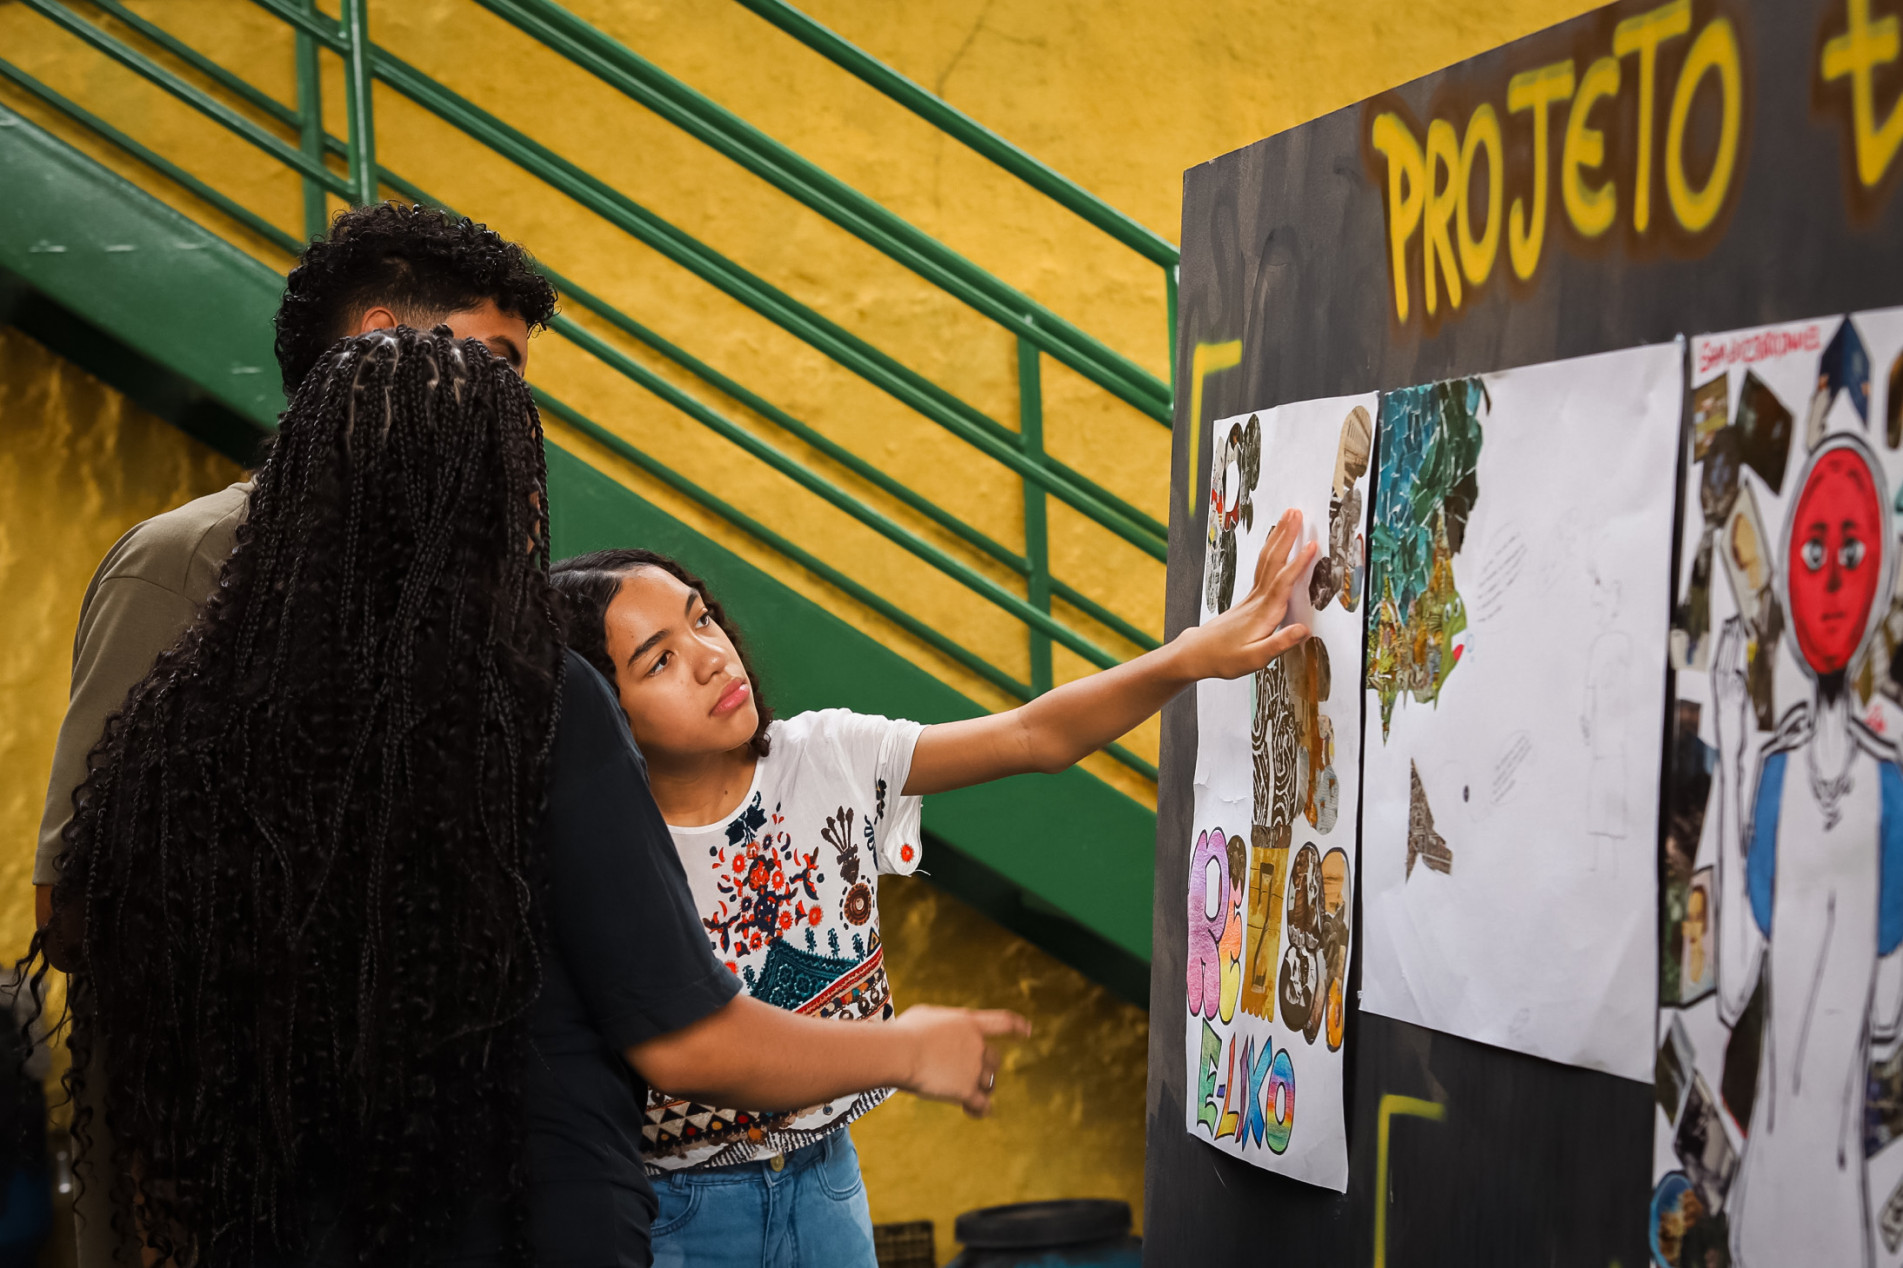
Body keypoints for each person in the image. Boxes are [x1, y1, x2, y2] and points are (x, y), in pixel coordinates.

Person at [28, 326, 1022, 1268]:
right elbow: (684, 1037)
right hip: (530, 1219)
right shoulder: (527, 699)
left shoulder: (194, 711)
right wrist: (905, 1046)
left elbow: (90, 938)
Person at [549, 512, 1317, 1268]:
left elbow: (1033, 735)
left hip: (826, 1180)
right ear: (596, 707)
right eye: (659, 661)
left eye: (702, 620)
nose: (710, 658)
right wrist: (907, 1049)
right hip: (678, 1212)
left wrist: (1186, 658)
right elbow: (687, 1050)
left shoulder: (824, 756)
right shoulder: (593, 844)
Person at [30, 200, 560, 1268]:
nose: (515, 406)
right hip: (223, 1167)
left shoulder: (474, 592)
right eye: (495, 362)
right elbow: (76, 906)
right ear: (378, 343)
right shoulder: (186, 559)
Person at [1709, 430, 1903, 1266]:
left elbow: (1886, 1023)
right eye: (1813, 552)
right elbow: (1731, 986)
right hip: (1770, 1207)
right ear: (1787, 574)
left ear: (1878, 576)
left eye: (1849, 553)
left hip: (1828, 1217)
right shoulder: (1779, 770)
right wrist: (1732, 747)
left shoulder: (1889, 791)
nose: (1827, 581)